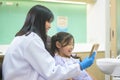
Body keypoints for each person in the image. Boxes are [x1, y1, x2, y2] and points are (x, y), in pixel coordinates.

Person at [2, 5, 96, 80]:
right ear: (39, 21)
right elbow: (52, 72)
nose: (50, 26)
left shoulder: (22, 38)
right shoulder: (31, 40)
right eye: (48, 21)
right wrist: (80, 66)